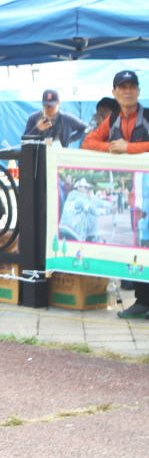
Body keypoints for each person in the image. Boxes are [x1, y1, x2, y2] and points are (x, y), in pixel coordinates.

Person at [81, 70, 149, 318]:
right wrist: (113, 149)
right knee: (139, 245)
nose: (128, 91)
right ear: (114, 93)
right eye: (123, 87)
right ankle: (143, 300)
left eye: (132, 86)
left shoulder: (148, 116)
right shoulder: (112, 122)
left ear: (139, 91)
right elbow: (88, 142)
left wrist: (129, 148)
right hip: (133, 199)